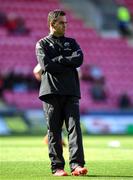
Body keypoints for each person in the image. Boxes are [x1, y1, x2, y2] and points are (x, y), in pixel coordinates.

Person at [35, 10, 88, 176]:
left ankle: (77, 165)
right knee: (54, 130)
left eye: (66, 23)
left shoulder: (72, 42)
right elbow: (47, 66)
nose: (65, 26)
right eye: (61, 23)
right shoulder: (42, 44)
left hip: (71, 91)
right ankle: (57, 167)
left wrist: (57, 59)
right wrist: (67, 62)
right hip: (50, 92)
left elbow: (79, 59)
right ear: (52, 24)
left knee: (75, 129)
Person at [33, 63, 66, 147]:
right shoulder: (68, 56)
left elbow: (36, 71)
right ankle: (55, 139)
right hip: (59, 91)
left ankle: (56, 138)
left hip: (53, 90)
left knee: (57, 117)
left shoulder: (51, 56)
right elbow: (36, 71)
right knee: (59, 117)